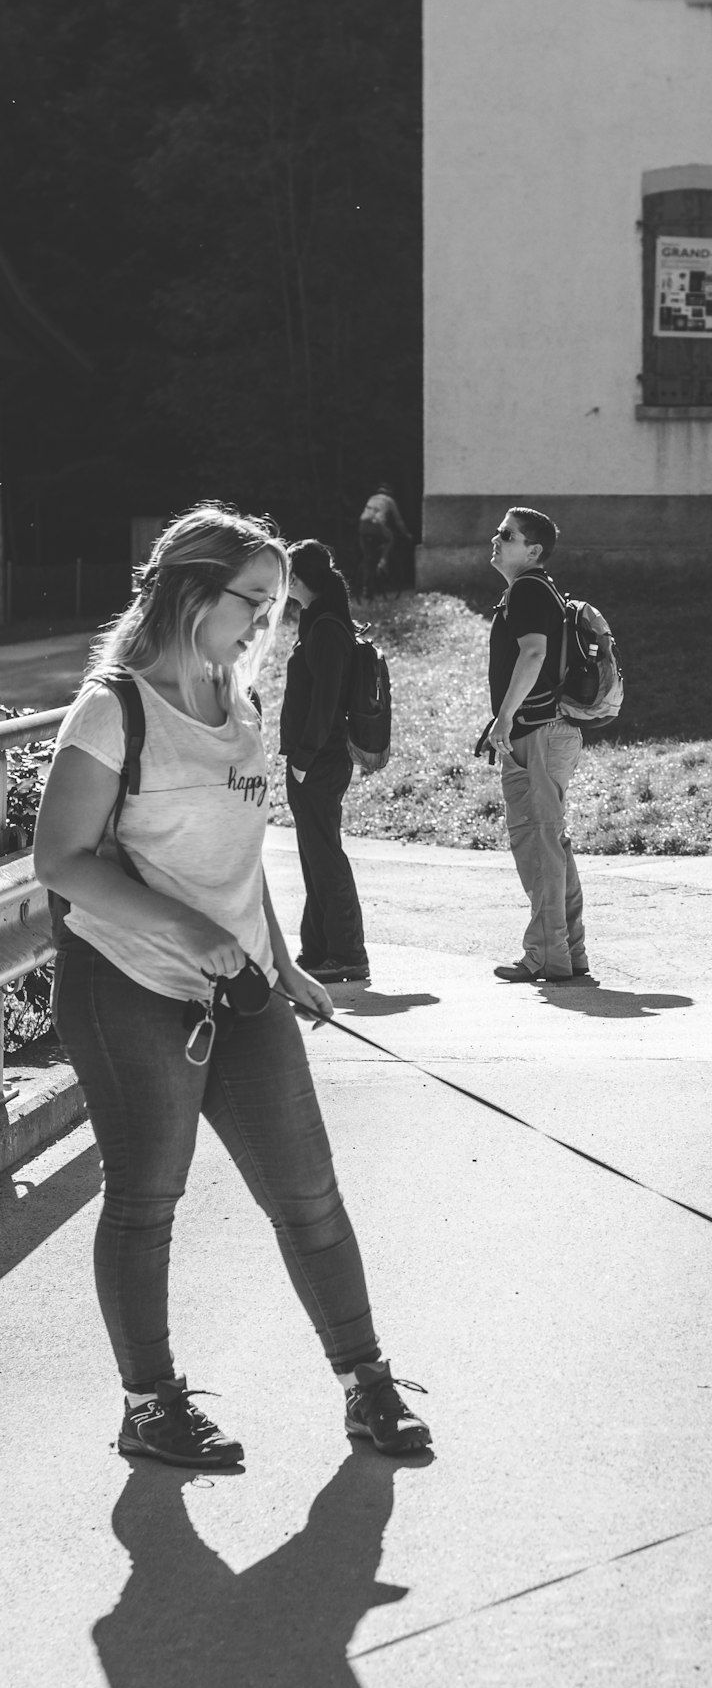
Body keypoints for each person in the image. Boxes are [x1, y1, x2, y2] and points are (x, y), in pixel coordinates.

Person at [33, 501, 431, 1469]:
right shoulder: (114, 707)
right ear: (189, 589)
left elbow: (238, 856)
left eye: (276, 606)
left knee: (309, 1193)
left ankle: (366, 1385)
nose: (265, 622)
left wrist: (282, 960)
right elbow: (61, 858)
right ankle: (151, 1403)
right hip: (129, 981)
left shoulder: (238, 699)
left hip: (241, 984)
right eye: (253, 600)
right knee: (147, 1198)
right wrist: (189, 932)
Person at [486, 506, 592, 985]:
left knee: (537, 844)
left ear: (532, 550)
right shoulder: (538, 589)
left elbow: (534, 653)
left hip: (538, 734)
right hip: (547, 731)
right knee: (550, 844)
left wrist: (505, 718)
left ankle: (545, 957)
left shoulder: (529, 587)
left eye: (506, 534)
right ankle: (568, 950)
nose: (496, 538)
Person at [280, 538, 369, 986]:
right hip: (313, 758)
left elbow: (325, 702)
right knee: (315, 855)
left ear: (298, 580)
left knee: (325, 857)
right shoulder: (318, 621)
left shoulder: (329, 628)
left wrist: (304, 757)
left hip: (320, 759)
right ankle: (318, 951)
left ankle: (348, 953)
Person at [358, 482, 410, 599]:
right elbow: (398, 520)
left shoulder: (372, 498)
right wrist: (406, 533)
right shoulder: (389, 500)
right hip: (377, 526)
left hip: (362, 525)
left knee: (368, 558)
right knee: (390, 539)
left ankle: (366, 588)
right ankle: (383, 561)